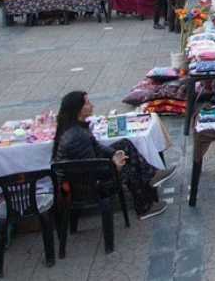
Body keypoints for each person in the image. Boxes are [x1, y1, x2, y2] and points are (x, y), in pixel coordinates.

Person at [52, 91, 176, 220]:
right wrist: (113, 166)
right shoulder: (77, 136)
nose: (92, 105)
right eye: (88, 103)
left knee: (125, 144)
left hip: (86, 172)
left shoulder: (78, 127)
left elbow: (97, 147)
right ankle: (144, 207)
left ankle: (151, 175)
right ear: (77, 109)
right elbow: (91, 169)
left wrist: (115, 154)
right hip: (84, 184)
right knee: (129, 169)